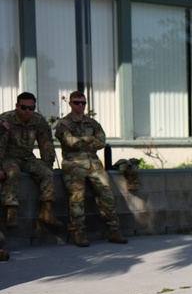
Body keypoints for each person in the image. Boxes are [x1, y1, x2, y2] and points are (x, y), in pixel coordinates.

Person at [54, 91, 127, 247]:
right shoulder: (63, 124)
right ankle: (78, 232)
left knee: (106, 193)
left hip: (93, 162)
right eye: (76, 102)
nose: (80, 106)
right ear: (70, 103)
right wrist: (89, 139)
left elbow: (101, 141)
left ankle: (114, 230)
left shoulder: (92, 123)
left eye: (83, 103)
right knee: (77, 198)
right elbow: (70, 142)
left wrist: (86, 142)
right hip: (73, 163)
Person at [0, 92, 63, 231]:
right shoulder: (6, 119)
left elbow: (46, 143)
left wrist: (48, 164)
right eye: (24, 107)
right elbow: (0, 144)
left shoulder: (38, 120)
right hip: (9, 157)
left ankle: (47, 212)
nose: (27, 111)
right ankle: (12, 212)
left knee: (47, 173)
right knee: (12, 172)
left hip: (28, 157)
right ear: (17, 106)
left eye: (31, 108)